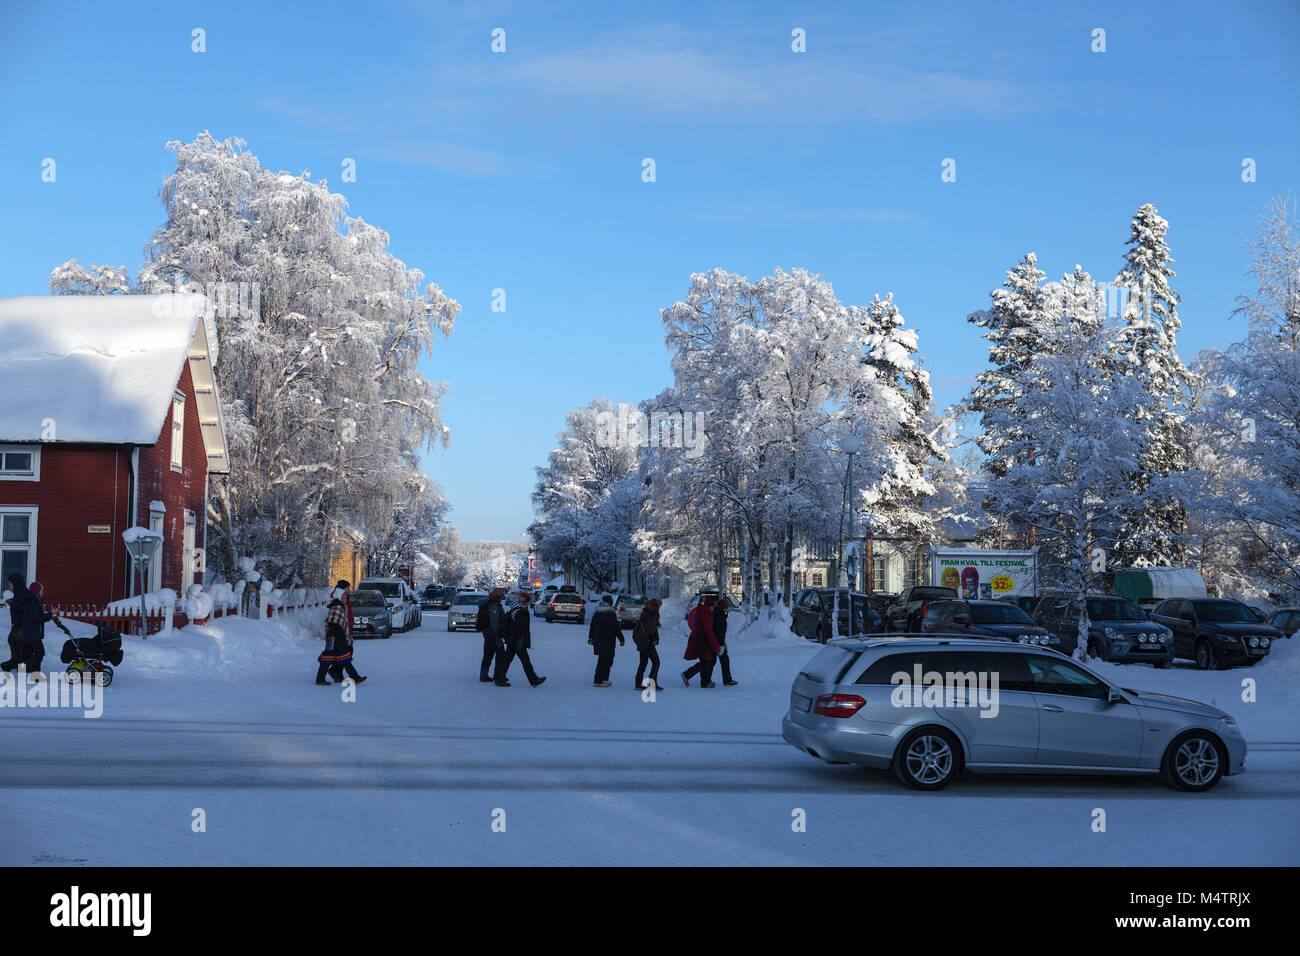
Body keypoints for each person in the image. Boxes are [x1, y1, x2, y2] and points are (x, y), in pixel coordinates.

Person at [494, 591, 546, 687]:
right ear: (525, 601)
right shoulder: (520, 611)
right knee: (524, 661)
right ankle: (533, 680)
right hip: (516, 640)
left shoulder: (517, 609)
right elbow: (518, 627)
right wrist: (519, 640)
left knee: (508, 659)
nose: (529, 603)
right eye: (529, 601)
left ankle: (499, 678)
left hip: (513, 639)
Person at [317, 587, 366, 685]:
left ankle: (330, 676)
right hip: (335, 637)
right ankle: (354, 677)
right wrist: (336, 637)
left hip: (338, 636)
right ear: (339, 597)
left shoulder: (341, 606)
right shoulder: (337, 607)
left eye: (346, 596)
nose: (345, 598)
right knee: (339, 658)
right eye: (343, 596)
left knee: (338, 658)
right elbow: (333, 622)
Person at [682, 594, 720, 687]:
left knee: (706, 661)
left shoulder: (701, 612)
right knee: (706, 662)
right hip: (703, 642)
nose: (713, 609)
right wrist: (716, 645)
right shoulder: (706, 615)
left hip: (700, 640)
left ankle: (704, 682)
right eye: (712, 607)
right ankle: (688, 675)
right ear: (709, 606)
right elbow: (709, 632)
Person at [588, 594, 623, 687]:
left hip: (598, 640)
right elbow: (615, 628)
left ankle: (602, 679)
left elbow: (592, 626)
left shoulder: (597, 612)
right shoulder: (610, 613)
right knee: (607, 661)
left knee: (603, 659)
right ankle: (599, 680)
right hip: (608, 640)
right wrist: (621, 639)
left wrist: (591, 638)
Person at [632, 597, 663, 690]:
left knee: (643, 662)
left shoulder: (646, 613)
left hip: (642, 641)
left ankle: (638, 683)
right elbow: (650, 630)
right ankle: (651, 684)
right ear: (655, 606)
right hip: (647, 642)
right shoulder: (650, 614)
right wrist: (654, 639)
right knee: (656, 662)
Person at [478, 588, 507, 683]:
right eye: (501, 597)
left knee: (488, 656)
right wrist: (498, 635)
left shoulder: (489, 604)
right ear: (498, 597)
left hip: (488, 634)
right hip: (493, 635)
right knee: (500, 656)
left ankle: (484, 675)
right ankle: (497, 675)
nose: (502, 599)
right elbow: (494, 622)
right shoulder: (493, 606)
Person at [2, 571, 27, 672]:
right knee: (12, 641)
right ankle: (15, 663)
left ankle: (20, 666)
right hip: (16, 623)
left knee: (20, 645)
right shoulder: (18, 592)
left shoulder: (22, 593)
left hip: (21, 624)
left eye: (11, 583)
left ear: (15, 582)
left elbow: (22, 607)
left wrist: (12, 603)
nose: (9, 585)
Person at [713, 597, 738, 686]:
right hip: (717, 643)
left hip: (717, 642)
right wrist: (721, 645)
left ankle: (688, 675)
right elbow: (719, 631)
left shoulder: (718, 614)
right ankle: (727, 680)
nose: (727, 609)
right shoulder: (719, 616)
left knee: (710, 662)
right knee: (723, 661)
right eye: (725, 607)